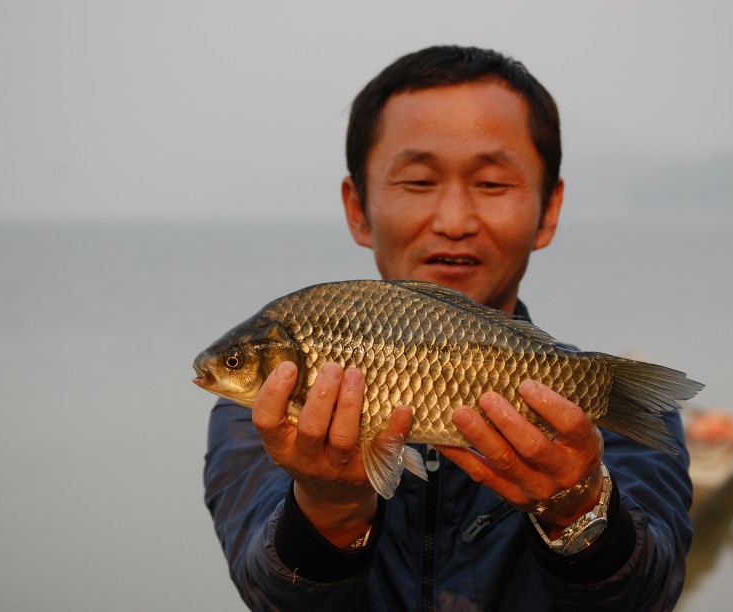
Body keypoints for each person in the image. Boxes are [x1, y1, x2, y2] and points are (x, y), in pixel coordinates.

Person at [204, 45, 693, 611]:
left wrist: (578, 511)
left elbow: (651, 594)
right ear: (358, 208)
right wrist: (330, 507)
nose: (454, 222)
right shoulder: (259, 418)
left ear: (549, 210)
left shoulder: (600, 407)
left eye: (492, 184)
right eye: (417, 182)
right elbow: (269, 596)